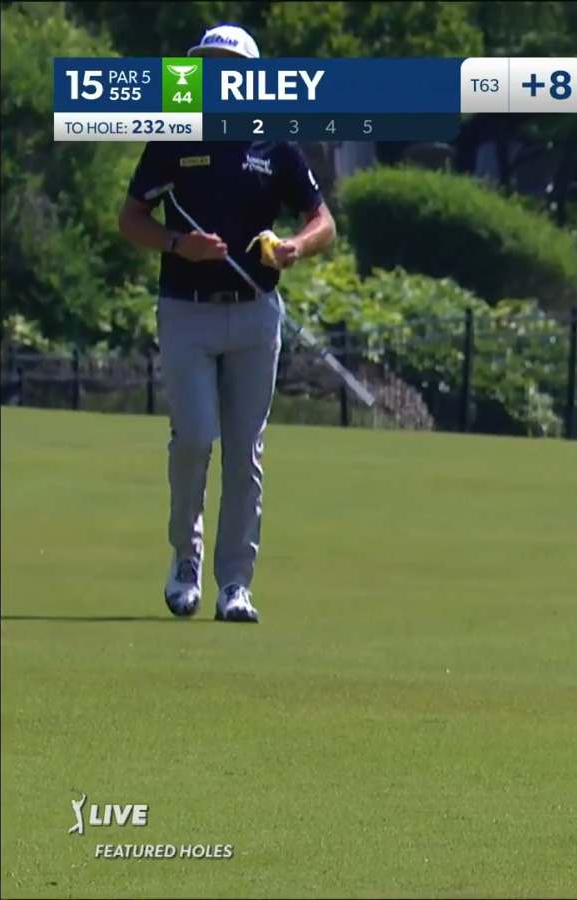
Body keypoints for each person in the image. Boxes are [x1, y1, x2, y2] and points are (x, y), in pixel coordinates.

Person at [116, 23, 338, 623]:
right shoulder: (174, 132)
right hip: (186, 309)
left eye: (227, 66)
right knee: (194, 439)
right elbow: (130, 217)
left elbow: (323, 221)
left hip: (254, 315)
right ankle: (184, 562)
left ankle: (234, 584)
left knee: (245, 452)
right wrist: (174, 243)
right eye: (208, 65)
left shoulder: (276, 141)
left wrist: (293, 246)